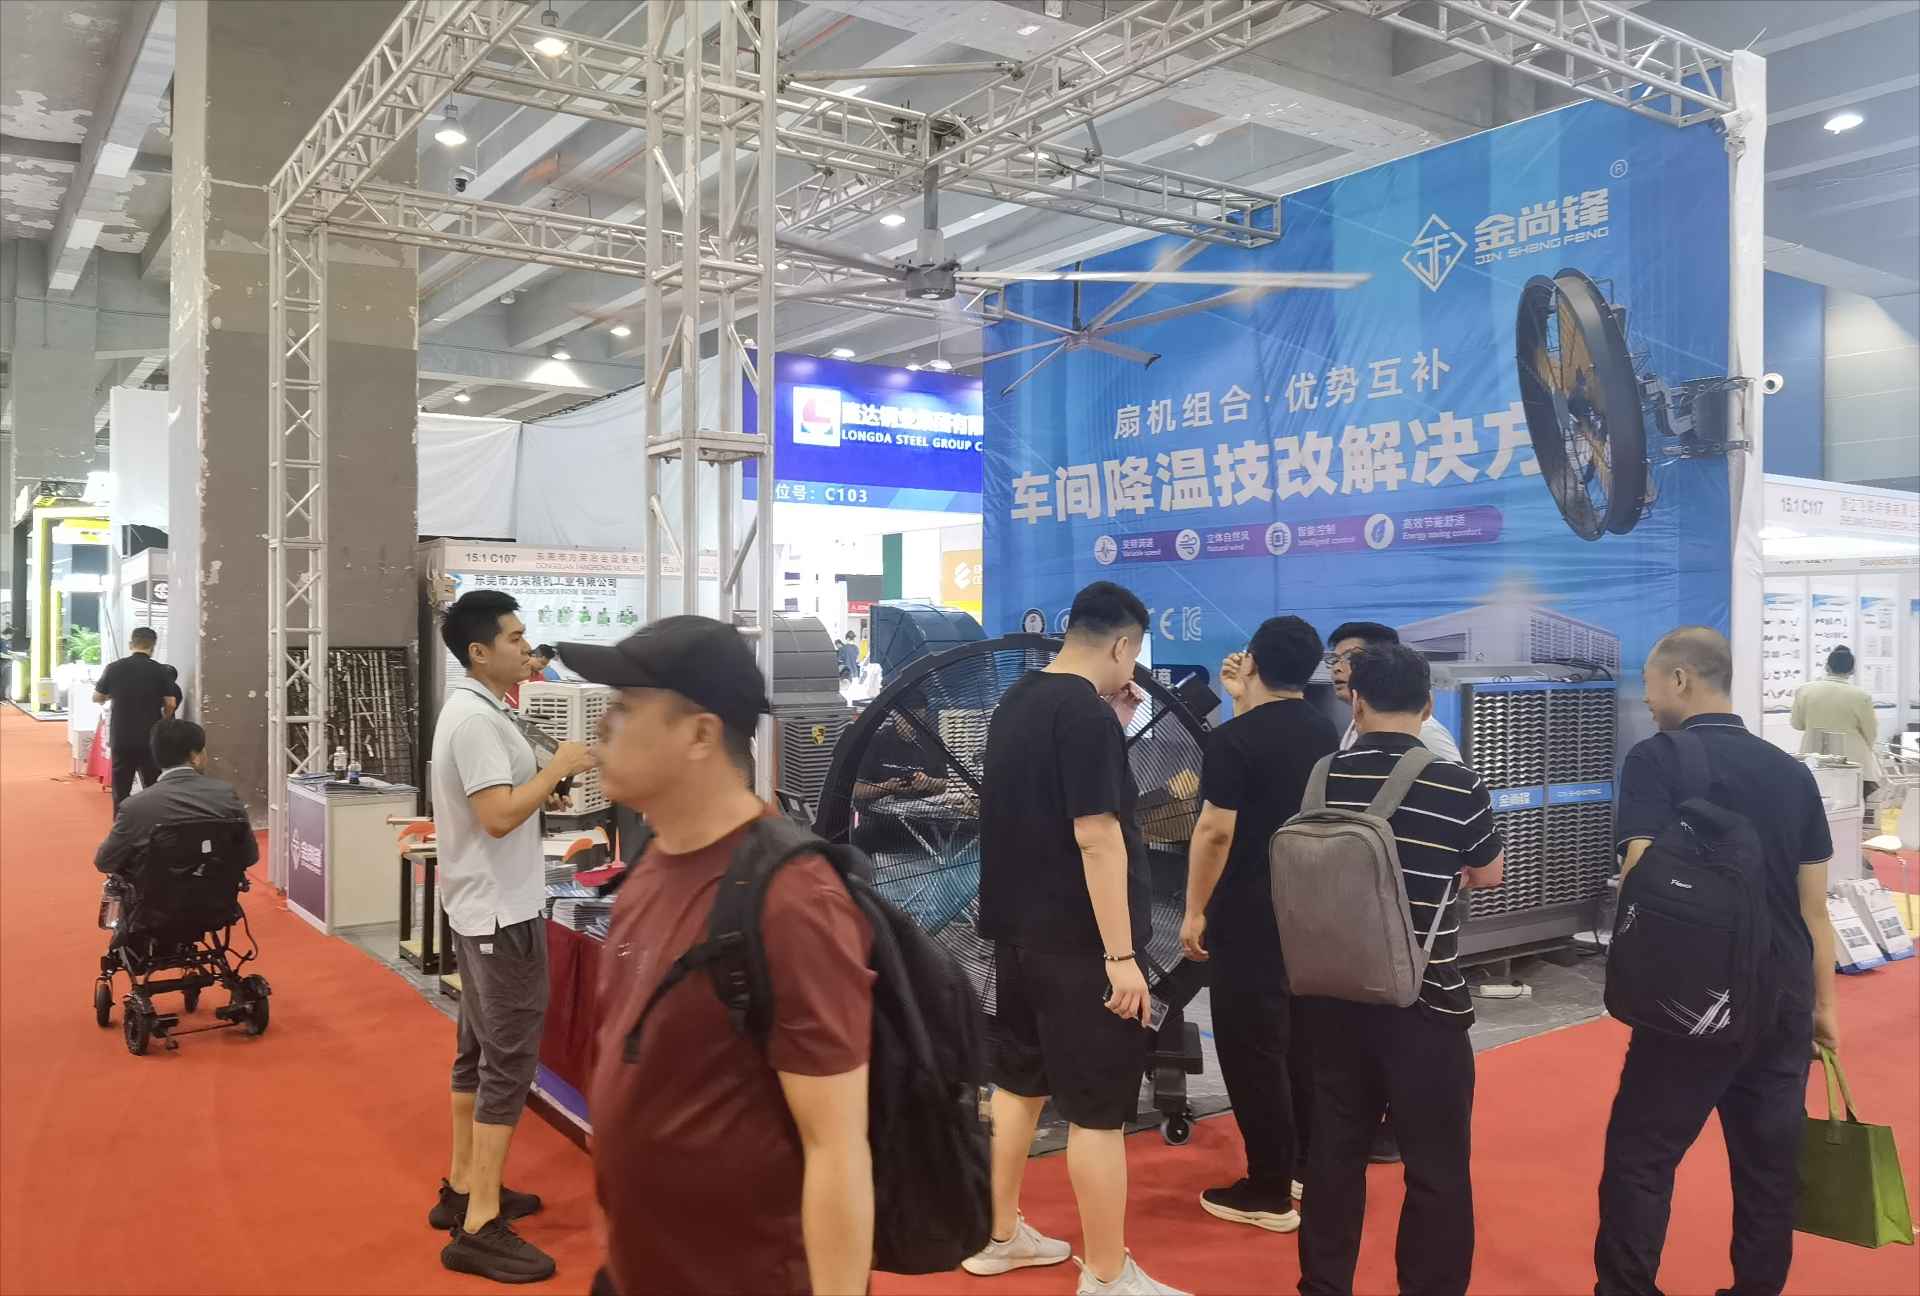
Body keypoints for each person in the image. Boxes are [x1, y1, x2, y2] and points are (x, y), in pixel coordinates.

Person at [561, 617, 876, 1296]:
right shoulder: (652, 859)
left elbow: (837, 1148)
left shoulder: (792, 899)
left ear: (700, 735)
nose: (602, 726)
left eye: (626, 707)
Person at [1595, 627, 1837, 1296]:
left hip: (1692, 998)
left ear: (1681, 680)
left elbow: (1641, 874)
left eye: (1649, 683)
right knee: (1768, 1170)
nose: (1646, 698)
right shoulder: (1792, 774)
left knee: (1642, 1156)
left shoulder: (1656, 759)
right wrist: (1825, 1009)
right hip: (1783, 997)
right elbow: (1814, 910)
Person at [969, 580, 1183, 1296]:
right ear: (1122, 644)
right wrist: (1120, 956)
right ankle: (1109, 1275)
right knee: (1097, 1111)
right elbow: (1096, 837)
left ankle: (1000, 1236)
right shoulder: (1085, 716)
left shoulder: (1018, 700)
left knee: (1018, 1085)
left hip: (1015, 935)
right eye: (1134, 655)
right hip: (1080, 947)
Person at [1296, 644, 1504, 1296]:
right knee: (1435, 1167)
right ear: (1429, 704)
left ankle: (1323, 1285)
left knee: (1333, 1158)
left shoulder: (1323, 775)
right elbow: (1489, 873)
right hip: (1425, 1003)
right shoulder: (1457, 783)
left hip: (1331, 997)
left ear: (1355, 702)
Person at [429, 590, 593, 1284]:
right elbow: (495, 817)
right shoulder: (474, 719)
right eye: (516, 638)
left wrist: (541, 788)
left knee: (477, 1050)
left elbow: (503, 802)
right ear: (479, 651)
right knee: (508, 1062)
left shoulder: (486, 709)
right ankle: (479, 1225)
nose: (528, 649)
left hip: (486, 906)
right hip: (500, 913)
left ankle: (466, 1184)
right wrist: (557, 769)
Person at [1180, 616, 1341, 1234]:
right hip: (1310, 907)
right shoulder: (1324, 730)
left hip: (1247, 912)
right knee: (1299, 1042)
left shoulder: (1232, 741)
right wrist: (1242, 698)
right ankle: (1301, 1165)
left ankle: (1268, 1190)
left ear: (1252, 663)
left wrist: (1194, 909)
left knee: (1252, 1050)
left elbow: (1215, 831)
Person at [1323, 620, 1461, 1167]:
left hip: (1409, 923)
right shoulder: (1347, 743)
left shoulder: (1429, 740)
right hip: (1360, 924)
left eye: (1352, 658)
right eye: (1336, 658)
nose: (1341, 668)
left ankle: (1398, 1125)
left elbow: (1459, 831)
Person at [94, 719, 256, 877]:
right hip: (217, 892)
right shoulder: (226, 794)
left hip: (155, 894)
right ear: (194, 756)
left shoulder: (134, 808)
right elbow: (249, 856)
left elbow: (105, 862)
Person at [93, 627, 183, 810]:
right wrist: (164, 720)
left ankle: (121, 821)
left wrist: (114, 694)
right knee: (152, 784)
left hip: (121, 735)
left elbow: (97, 697)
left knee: (121, 787)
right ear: (153, 646)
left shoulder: (114, 667)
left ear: (130, 644)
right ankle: (153, 821)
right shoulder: (160, 670)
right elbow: (171, 703)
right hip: (150, 736)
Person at [1791, 645, 1883, 803]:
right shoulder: (1861, 696)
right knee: (1852, 806)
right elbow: (1871, 733)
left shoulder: (1804, 690)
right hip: (1852, 761)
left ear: (1827, 666)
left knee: (1818, 803)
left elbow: (1797, 724)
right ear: (1852, 670)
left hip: (1813, 758)